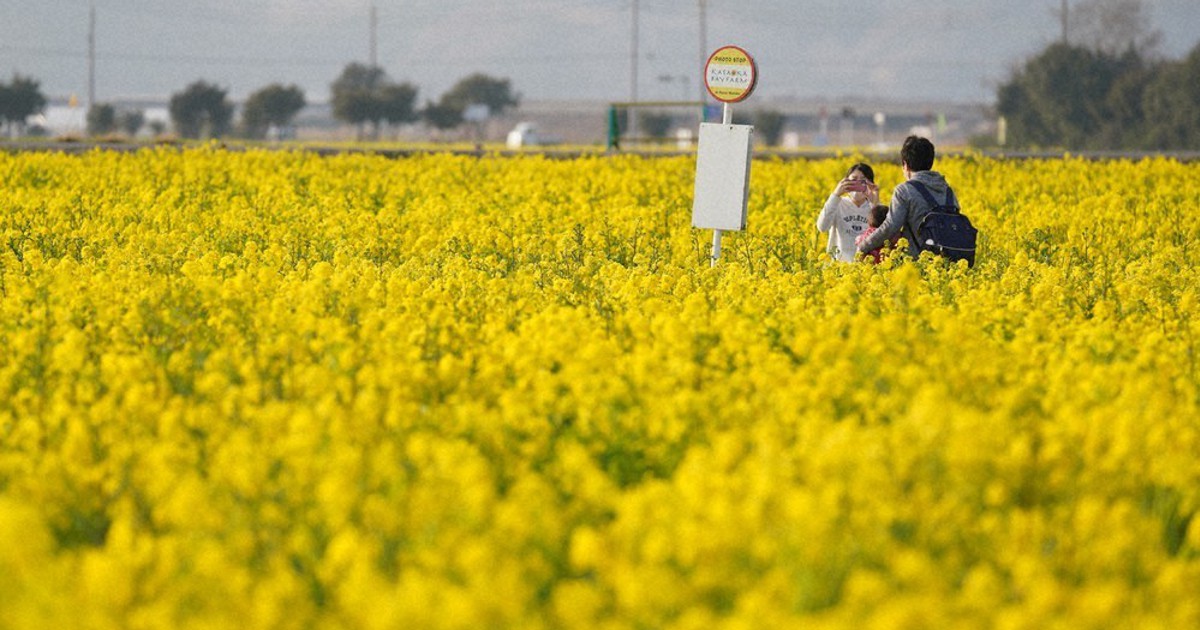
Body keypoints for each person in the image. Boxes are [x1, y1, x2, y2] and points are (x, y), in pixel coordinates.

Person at [856, 135, 956, 260]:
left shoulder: (905, 190)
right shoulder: (948, 191)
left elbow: (890, 227)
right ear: (930, 162)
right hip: (949, 262)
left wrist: (863, 246)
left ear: (905, 164)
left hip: (915, 265)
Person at [816, 162, 879, 262]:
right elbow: (822, 227)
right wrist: (835, 195)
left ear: (870, 184)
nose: (857, 184)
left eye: (862, 181)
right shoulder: (837, 203)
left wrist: (875, 204)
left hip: (867, 270)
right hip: (837, 268)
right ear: (845, 182)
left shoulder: (875, 207)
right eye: (853, 180)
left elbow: (881, 237)